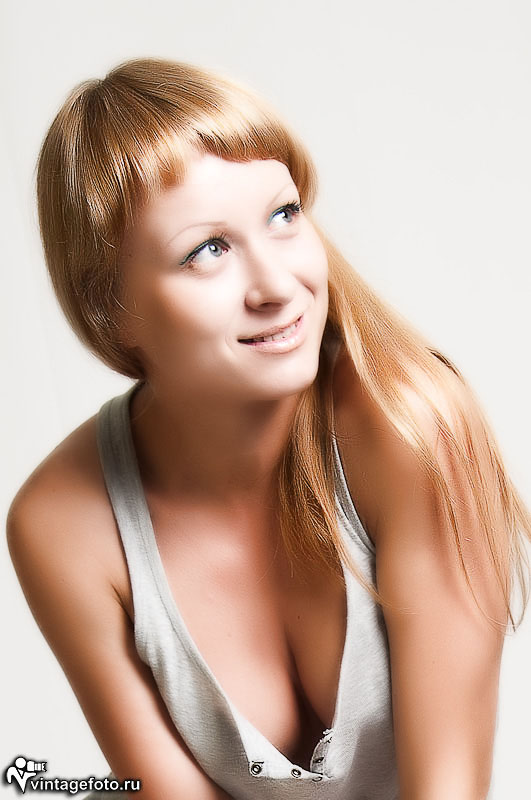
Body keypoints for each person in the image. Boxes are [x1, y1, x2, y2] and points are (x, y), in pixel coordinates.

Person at [7, 57, 530, 800]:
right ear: (110, 308)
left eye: (284, 215)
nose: (279, 286)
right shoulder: (63, 524)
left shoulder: (411, 428)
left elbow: (447, 786)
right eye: (207, 250)